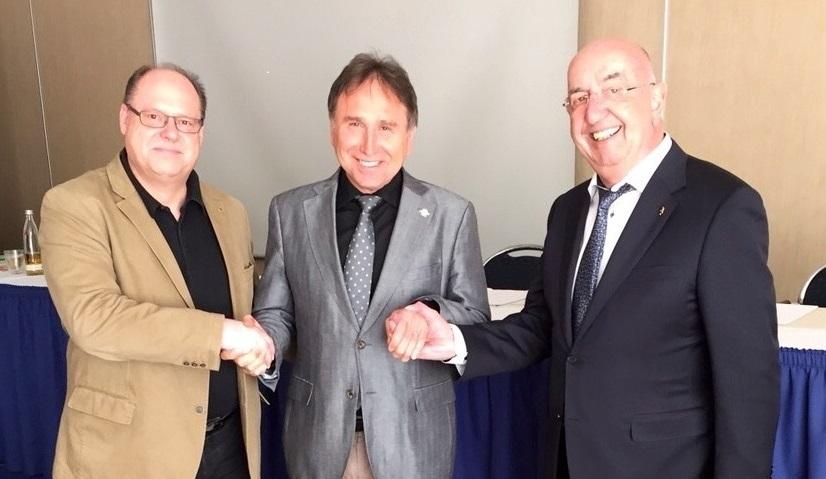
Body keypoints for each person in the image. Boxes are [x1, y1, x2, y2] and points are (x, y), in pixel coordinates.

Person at [389, 38, 780, 478]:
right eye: (578, 98)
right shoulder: (568, 210)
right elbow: (541, 327)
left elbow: (748, 382)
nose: (594, 112)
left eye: (614, 88)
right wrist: (453, 341)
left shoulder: (722, 207)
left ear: (656, 97)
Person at [252, 52, 489, 478]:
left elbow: (474, 315)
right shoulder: (290, 213)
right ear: (333, 128)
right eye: (354, 124)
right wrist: (264, 343)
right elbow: (277, 312)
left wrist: (431, 315)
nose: (369, 145)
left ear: (409, 135)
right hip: (318, 438)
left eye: (386, 127)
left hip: (412, 442)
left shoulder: (451, 215)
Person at [40, 64, 273, 479]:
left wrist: (260, 346)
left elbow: (248, 315)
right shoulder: (74, 205)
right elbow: (94, 318)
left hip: (229, 448)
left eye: (185, 121)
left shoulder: (230, 212)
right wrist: (222, 333)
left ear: (201, 133)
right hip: (129, 454)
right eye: (154, 116)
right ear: (125, 119)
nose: (171, 132)